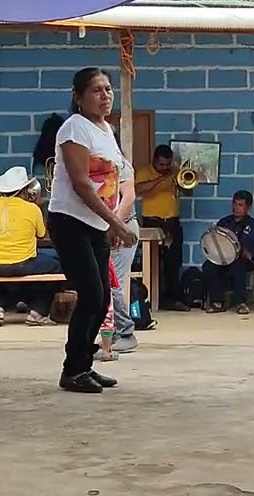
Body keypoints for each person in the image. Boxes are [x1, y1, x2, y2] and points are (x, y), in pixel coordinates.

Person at [48, 67, 138, 394]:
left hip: (97, 224)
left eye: (108, 89)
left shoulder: (105, 130)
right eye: (97, 91)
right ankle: (72, 370)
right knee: (92, 295)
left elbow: (115, 182)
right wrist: (117, 223)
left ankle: (84, 365)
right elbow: (83, 184)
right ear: (79, 97)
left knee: (101, 301)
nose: (105, 96)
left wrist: (111, 221)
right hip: (70, 221)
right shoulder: (74, 128)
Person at [0, 166, 60, 327]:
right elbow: (42, 234)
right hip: (23, 263)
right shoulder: (32, 209)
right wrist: (37, 205)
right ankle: (37, 312)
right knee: (56, 266)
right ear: (24, 190)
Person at [136, 144, 189, 311]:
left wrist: (180, 183)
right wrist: (160, 179)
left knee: (173, 262)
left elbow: (188, 192)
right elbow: (137, 190)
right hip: (152, 221)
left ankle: (172, 299)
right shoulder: (144, 172)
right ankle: (151, 299)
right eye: (161, 165)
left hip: (172, 222)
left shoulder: (175, 172)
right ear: (154, 161)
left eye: (167, 164)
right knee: (153, 262)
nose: (165, 168)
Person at [203, 190, 254, 314]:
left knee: (238, 265)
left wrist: (251, 255)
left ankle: (241, 303)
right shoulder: (224, 223)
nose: (236, 208)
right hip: (224, 258)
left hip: (244, 260)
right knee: (208, 266)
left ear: (248, 208)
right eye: (234, 204)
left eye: (240, 205)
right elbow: (217, 241)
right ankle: (217, 302)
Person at [108, 133, 140, 353]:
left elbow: (128, 197)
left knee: (114, 284)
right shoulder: (95, 166)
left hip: (122, 227)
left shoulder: (120, 165)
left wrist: (116, 226)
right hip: (103, 231)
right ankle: (108, 335)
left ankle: (126, 332)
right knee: (103, 285)